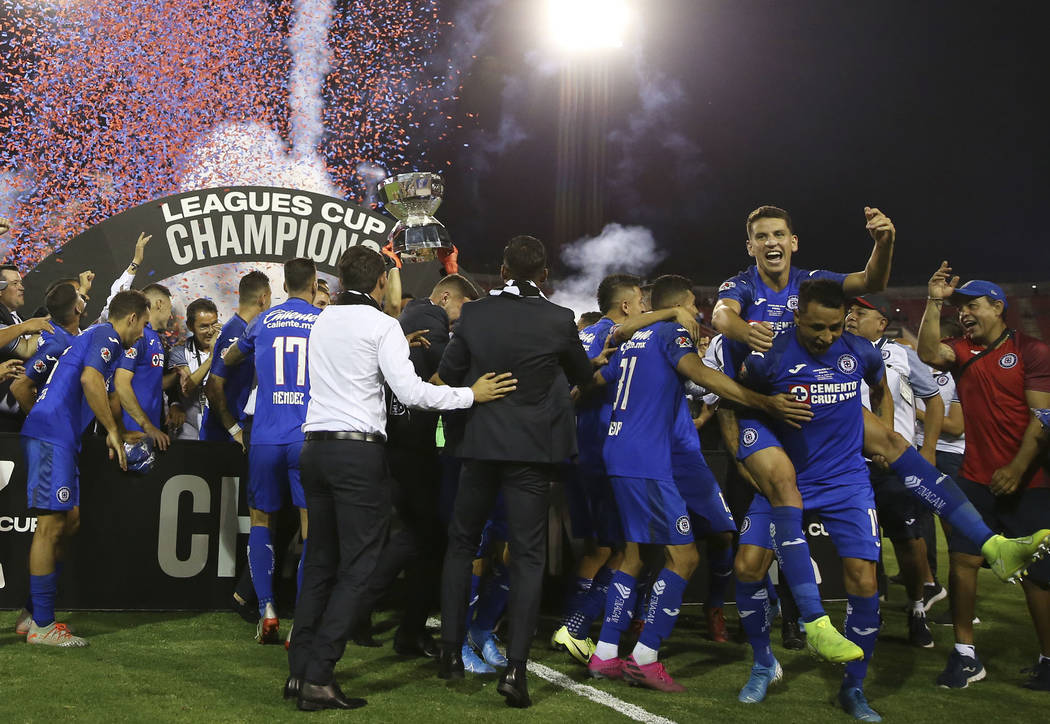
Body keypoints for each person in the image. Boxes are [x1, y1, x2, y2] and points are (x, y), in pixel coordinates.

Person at [286, 246, 514, 712]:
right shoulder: (381, 325)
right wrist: (471, 394)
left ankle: (299, 673)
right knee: (359, 566)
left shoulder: (320, 319)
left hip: (314, 449)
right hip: (356, 453)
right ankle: (319, 675)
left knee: (321, 565)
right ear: (378, 284)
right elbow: (411, 394)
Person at [586, 274, 811, 692]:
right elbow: (699, 375)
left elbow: (597, 380)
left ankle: (604, 652)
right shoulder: (671, 331)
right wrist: (763, 402)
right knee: (685, 558)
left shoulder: (636, 338)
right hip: (648, 462)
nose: (698, 313)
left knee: (633, 555)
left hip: (617, 454)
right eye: (693, 304)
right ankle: (645, 657)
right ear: (680, 304)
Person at [710, 204, 895, 661]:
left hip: (813, 420)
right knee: (750, 562)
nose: (771, 243)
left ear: (793, 242)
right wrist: (750, 333)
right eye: (761, 236)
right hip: (758, 420)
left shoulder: (813, 283)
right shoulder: (742, 285)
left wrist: (883, 243)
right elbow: (720, 316)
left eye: (779, 234)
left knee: (893, 448)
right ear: (750, 246)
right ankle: (767, 650)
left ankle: (802, 622)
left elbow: (869, 282)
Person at [435, 235, 593, 708]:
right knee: (527, 557)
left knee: (461, 545)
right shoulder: (559, 319)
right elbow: (584, 377)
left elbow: (448, 372)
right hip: (530, 453)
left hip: (479, 445)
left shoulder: (476, 313)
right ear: (543, 274)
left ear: (502, 271)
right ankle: (517, 672)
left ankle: (448, 653)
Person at [733, 280, 886, 719]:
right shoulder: (768, 357)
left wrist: (883, 435)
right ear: (798, 316)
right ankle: (764, 663)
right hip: (786, 481)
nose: (827, 337)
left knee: (864, 582)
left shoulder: (860, 351)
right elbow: (740, 404)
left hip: (845, 481)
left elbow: (880, 388)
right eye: (818, 327)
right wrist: (749, 455)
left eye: (835, 327)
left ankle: (853, 688)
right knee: (747, 566)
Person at [553, 273, 701, 664]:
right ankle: (578, 626)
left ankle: (586, 632)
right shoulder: (621, 337)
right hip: (614, 452)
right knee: (625, 551)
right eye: (639, 302)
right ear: (624, 306)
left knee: (604, 548)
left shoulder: (581, 335)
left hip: (576, 453)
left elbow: (571, 389)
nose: (644, 309)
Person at [918, 265, 1050, 690]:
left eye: (972, 306)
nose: (965, 314)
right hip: (975, 478)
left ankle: (1049, 659)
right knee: (963, 562)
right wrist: (934, 301)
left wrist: (1015, 469)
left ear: (998, 307)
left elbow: (1042, 418)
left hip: (1031, 480)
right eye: (960, 308)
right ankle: (964, 655)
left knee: (1039, 573)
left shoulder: (1032, 351)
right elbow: (926, 353)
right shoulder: (960, 349)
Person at [355, 273, 481, 659]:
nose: (461, 322)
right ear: (444, 297)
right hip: (414, 451)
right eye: (460, 312)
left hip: (389, 444)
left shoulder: (402, 321)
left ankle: (364, 615)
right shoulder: (433, 324)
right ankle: (394, 627)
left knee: (409, 537)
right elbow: (445, 377)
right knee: (424, 541)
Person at [18, 290, 148, 647]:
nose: (142, 335)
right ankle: (43, 625)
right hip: (53, 436)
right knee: (50, 526)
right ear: (132, 318)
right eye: (143, 325)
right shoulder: (106, 334)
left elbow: (97, 390)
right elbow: (90, 381)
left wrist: (117, 430)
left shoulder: (92, 338)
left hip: (58, 436)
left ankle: (32, 612)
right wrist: (109, 432)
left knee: (69, 519)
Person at [223, 259, 318, 644]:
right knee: (311, 526)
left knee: (261, 521)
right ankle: (303, 622)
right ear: (312, 284)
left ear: (283, 284)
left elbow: (229, 358)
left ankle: (267, 609)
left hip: (263, 437)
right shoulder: (322, 321)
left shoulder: (263, 321)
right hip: (304, 437)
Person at [846, 293, 945, 648]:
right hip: (851, 463)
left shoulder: (902, 353)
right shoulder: (837, 351)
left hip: (896, 464)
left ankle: (917, 608)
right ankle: (868, 611)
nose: (851, 317)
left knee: (909, 540)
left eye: (860, 312)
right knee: (861, 542)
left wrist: (929, 449)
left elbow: (933, 399)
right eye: (850, 311)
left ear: (882, 322)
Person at [203, 270, 272, 446]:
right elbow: (212, 387)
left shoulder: (244, 330)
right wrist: (235, 430)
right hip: (223, 438)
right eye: (270, 298)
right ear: (263, 298)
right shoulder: (234, 333)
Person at [113, 284, 174, 452]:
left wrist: (178, 374)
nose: (171, 315)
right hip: (132, 434)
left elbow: (152, 383)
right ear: (160, 304)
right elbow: (121, 383)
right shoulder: (139, 335)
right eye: (170, 308)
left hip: (151, 434)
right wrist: (147, 426)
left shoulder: (154, 338)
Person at [10, 284, 84, 415]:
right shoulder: (58, 346)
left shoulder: (52, 325)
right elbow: (18, 387)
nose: (82, 296)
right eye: (79, 295)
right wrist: (41, 423)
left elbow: (68, 307)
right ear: (77, 308)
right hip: (59, 419)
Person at [168, 298, 219, 440]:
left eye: (214, 325)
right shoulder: (179, 351)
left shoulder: (227, 348)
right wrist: (211, 358)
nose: (210, 331)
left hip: (220, 426)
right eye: (203, 326)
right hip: (189, 429)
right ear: (190, 326)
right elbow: (188, 387)